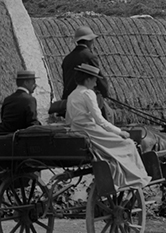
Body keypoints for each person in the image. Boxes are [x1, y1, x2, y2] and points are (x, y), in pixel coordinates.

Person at [66, 63, 150, 191]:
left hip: (77, 132)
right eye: (94, 81)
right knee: (128, 144)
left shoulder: (72, 95)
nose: (95, 84)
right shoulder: (88, 93)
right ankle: (135, 178)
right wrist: (120, 132)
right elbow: (100, 120)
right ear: (88, 79)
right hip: (91, 132)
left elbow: (68, 118)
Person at [61, 25, 114, 121]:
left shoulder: (67, 58)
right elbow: (98, 77)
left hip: (69, 97)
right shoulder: (89, 57)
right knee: (106, 118)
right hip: (86, 96)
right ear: (88, 41)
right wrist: (105, 92)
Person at [0, 70, 41, 136]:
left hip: (4, 135)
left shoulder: (7, 99)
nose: (35, 85)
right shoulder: (30, 100)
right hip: (20, 137)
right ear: (26, 83)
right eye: (33, 83)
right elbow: (32, 122)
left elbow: (4, 119)